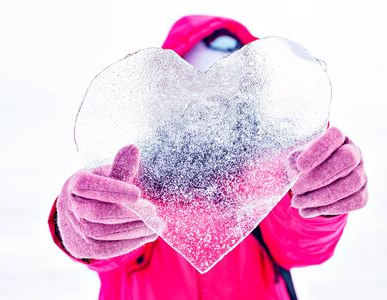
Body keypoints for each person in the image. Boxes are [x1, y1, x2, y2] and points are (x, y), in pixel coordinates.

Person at [48, 15, 368, 300]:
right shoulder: (134, 167)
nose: (210, 108)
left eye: (229, 89)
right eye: (196, 84)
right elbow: (109, 253)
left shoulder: (278, 163)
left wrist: (322, 205)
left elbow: (300, 250)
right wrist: (80, 225)